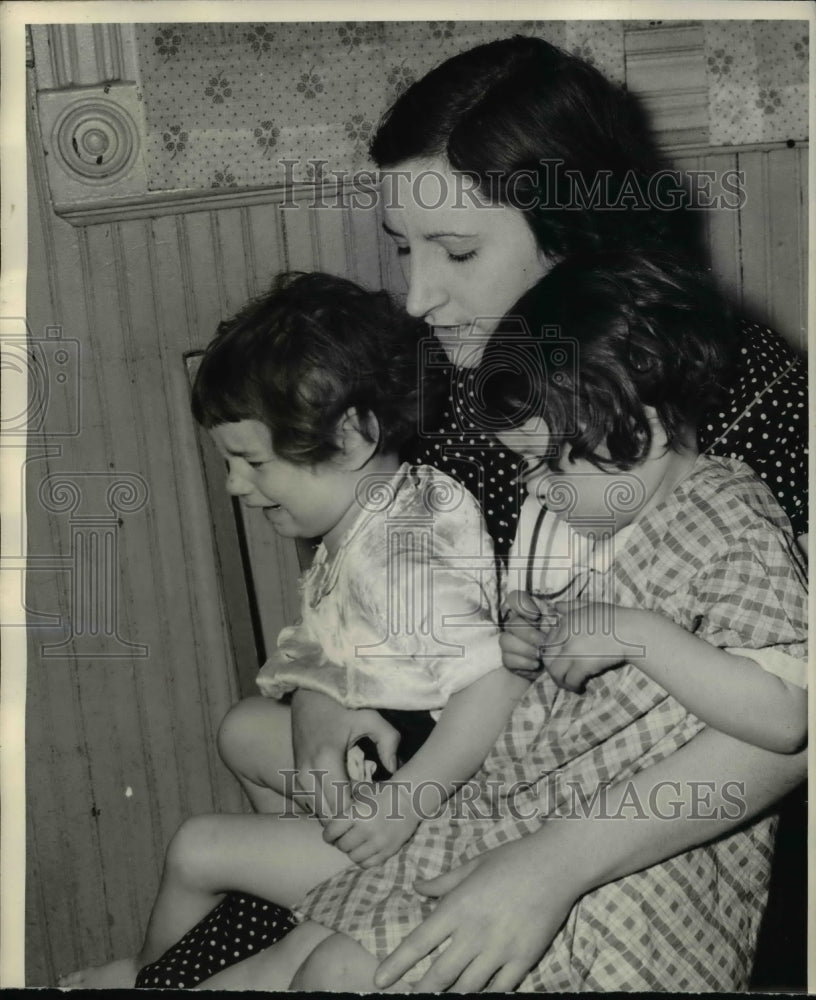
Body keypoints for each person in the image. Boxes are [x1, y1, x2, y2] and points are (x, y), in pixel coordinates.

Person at [136, 35, 808, 990]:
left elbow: (789, 717)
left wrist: (547, 868)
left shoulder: (739, 393)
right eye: (403, 249)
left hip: (641, 857)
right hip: (464, 792)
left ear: (576, 234)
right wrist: (324, 714)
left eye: (457, 251)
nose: (416, 296)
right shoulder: (460, 373)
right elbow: (374, 587)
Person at [283, 250, 807, 993]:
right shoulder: (602, 515)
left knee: (355, 973)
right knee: (330, 965)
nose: (534, 487)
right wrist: (529, 641)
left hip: (643, 879)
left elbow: (787, 717)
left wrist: (634, 635)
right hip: (531, 810)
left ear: (644, 430)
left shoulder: (735, 522)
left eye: (551, 465)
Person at [59, 270, 530, 989]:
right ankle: (300, 896)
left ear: (352, 438)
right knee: (244, 729)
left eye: (252, 462)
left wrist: (403, 807)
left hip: (434, 824)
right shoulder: (368, 512)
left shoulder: (404, 561)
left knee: (195, 848)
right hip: (391, 770)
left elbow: (495, 680)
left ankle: (154, 977)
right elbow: (339, 644)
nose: (234, 486)